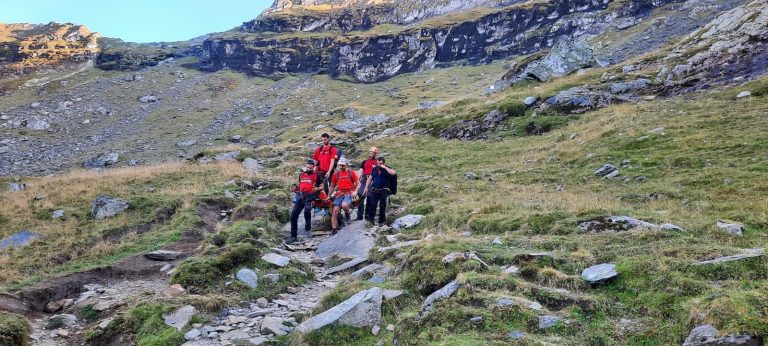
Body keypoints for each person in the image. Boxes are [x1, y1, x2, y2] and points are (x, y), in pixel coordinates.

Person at [287, 159, 323, 244]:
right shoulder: (302, 174)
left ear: (313, 167)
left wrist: (316, 189)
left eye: (310, 168)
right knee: (293, 215)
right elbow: (300, 185)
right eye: (307, 167)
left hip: (310, 196)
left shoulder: (317, 175)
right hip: (301, 196)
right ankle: (293, 236)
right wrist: (295, 188)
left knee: (307, 211)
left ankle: (308, 229)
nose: (308, 169)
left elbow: (322, 186)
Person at [327, 157, 360, 233]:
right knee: (335, 211)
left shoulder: (351, 173)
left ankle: (347, 215)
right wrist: (329, 195)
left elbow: (358, 183)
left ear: (346, 165)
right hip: (340, 193)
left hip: (349, 193)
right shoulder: (336, 174)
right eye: (340, 165)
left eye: (343, 165)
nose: (341, 167)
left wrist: (355, 191)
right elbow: (332, 185)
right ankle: (334, 229)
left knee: (344, 205)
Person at [364, 157, 396, 226]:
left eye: (381, 163)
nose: (379, 165)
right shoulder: (375, 169)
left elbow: (393, 173)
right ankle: (371, 220)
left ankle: (381, 221)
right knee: (372, 205)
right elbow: (370, 178)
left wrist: (385, 167)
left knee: (382, 205)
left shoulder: (387, 169)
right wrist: (366, 187)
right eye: (378, 163)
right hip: (374, 190)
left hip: (383, 190)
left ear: (384, 163)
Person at [356, 146, 378, 221]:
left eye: (374, 153)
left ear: (376, 154)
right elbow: (361, 171)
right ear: (369, 153)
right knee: (359, 194)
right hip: (364, 179)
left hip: (372, 180)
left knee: (369, 196)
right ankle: (359, 216)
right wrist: (357, 180)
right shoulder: (364, 162)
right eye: (371, 152)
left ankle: (367, 216)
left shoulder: (377, 162)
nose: (372, 154)